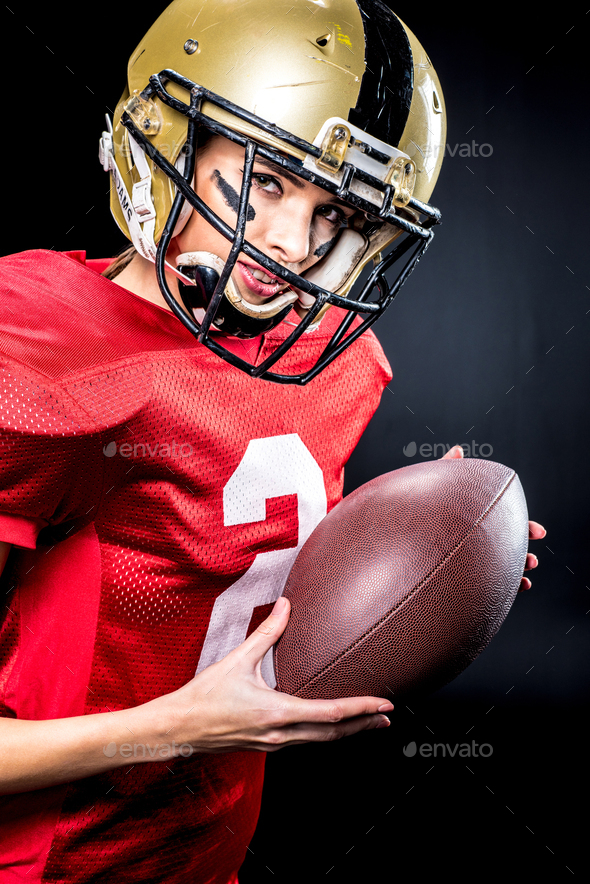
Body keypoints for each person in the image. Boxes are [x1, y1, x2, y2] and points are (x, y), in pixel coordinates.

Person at [0, 0, 544, 881]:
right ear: (168, 142)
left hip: (201, 857)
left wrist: (421, 549)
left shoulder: (331, 362)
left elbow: (220, 568)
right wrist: (175, 728)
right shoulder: (31, 353)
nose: (294, 245)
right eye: (265, 182)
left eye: (337, 214)